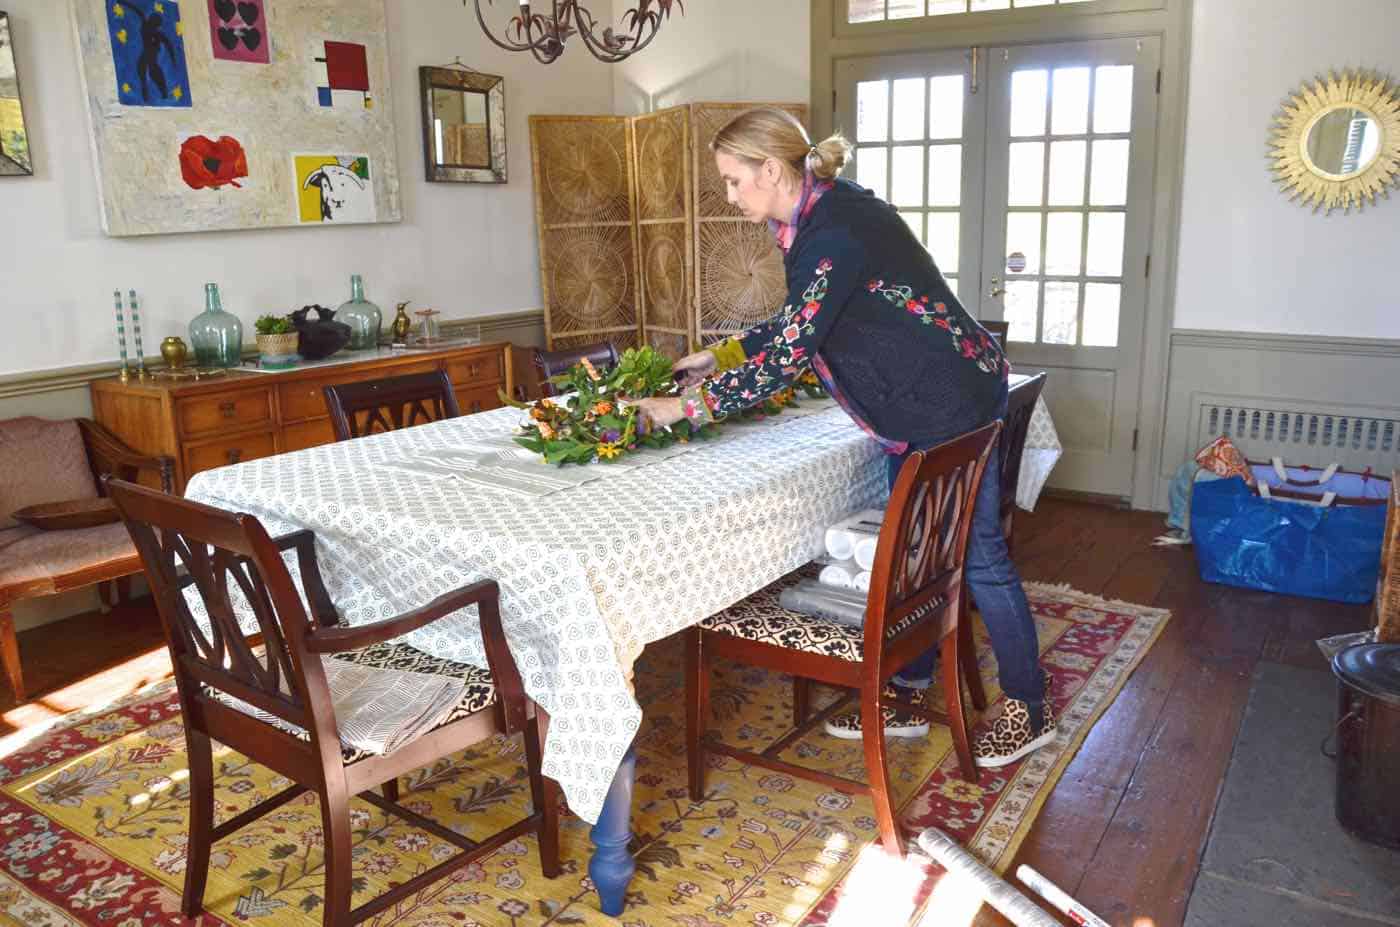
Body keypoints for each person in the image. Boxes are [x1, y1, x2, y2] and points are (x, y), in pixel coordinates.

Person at [634, 107, 1054, 768]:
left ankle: (1029, 707)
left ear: (771, 170)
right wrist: (723, 355)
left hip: (949, 405)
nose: (729, 195)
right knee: (912, 552)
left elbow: (788, 358)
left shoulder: (835, 232)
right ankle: (911, 692)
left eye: (733, 180)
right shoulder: (819, 215)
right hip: (919, 408)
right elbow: (801, 318)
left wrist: (676, 409)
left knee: (979, 558)